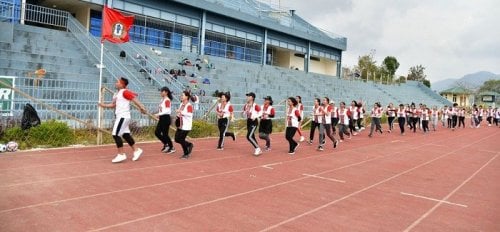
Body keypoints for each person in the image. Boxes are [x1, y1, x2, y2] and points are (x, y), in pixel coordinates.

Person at [98, 77, 147, 163]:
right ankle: (136, 150)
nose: (116, 83)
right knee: (125, 134)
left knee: (115, 134)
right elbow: (113, 105)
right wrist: (103, 105)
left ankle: (121, 154)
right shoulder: (117, 94)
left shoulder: (124, 91)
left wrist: (142, 107)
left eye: (118, 82)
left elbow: (134, 99)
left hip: (123, 116)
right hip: (121, 117)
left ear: (122, 84)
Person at [155, 87, 175, 154]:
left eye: (162, 91)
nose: (161, 92)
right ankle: (166, 144)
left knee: (165, 134)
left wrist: (158, 114)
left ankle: (171, 147)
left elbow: (167, 110)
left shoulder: (167, 100)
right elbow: (161, 109)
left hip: (166, 118)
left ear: (166, 92)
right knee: (157, 132)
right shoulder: (162, 100)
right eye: (160, 91)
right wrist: (159, 114)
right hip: (162, 118)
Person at [175, 90, 194, 159]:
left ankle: (186, 154)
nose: (181, 96)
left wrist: (181, 111)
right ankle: (189, 144)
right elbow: (180, 113)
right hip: (180, 125)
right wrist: (178, 115)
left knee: (181, 139)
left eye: (183, 95)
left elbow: (189, 114)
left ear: (187, 97)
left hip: (186, 126)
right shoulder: (181, 104)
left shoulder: (189, 105)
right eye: (181, 95)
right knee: (176, 139)